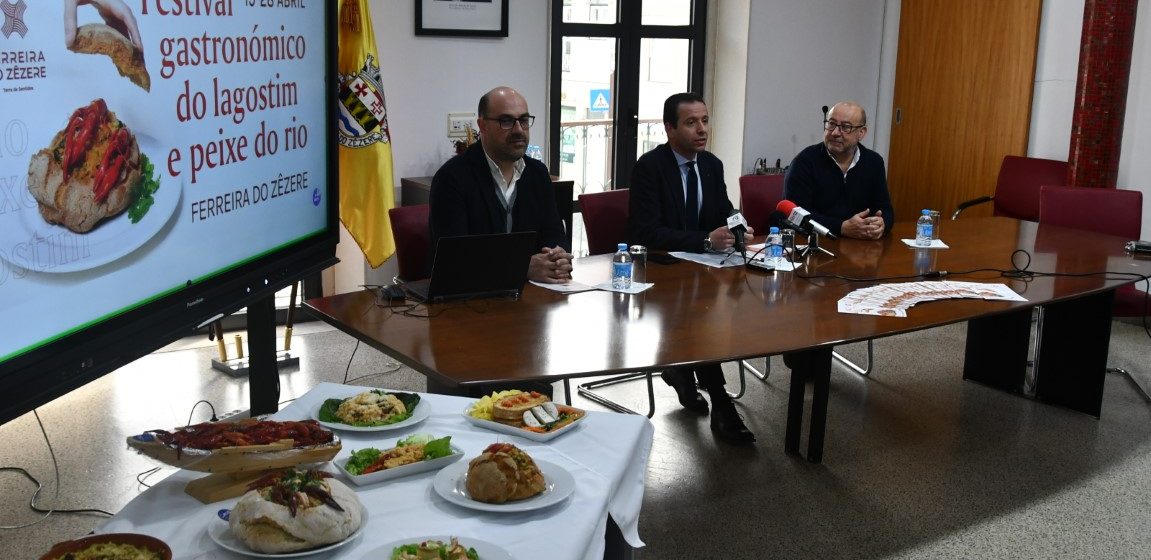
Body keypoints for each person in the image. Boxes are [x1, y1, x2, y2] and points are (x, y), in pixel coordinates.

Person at [627, 92, 755, 444]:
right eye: (691, 122)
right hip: (659, 273)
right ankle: (722, 403)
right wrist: (704, 241)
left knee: (716, 313)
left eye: (705, 120)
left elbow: (724, 209)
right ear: (669, 128)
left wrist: (739, 226)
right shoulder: (649, 167)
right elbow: (646, 232)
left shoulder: (711, 165)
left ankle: (681, 369)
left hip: (701, 272)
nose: (702, 129)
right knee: (699, 320)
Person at [429, 86, 573, 284]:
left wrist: (558, 257)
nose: (518, 130)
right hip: (472, 301)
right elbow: (455, 260)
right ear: (482, 125)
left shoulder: (537, 173)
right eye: (506, 121)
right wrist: (523, 267)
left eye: (523, 120)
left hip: (532, 298)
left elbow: (554, 233)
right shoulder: (452, 178)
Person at [783, 101, 894, 240]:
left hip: (861, 246)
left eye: (845, 127)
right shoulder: (804, 161)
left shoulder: (874, 162)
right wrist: (841, 227)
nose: (835, 133)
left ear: (861, 133)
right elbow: (796, 215)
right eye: (831, 124)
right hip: (816, 243)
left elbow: (885, 209)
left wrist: (882, 224)